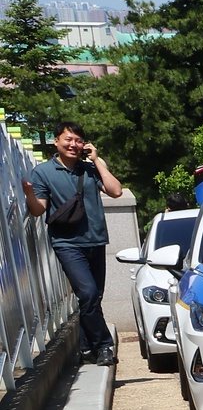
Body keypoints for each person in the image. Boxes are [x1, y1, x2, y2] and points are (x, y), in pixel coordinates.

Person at [22, 121, 124, 366]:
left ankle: (86, 346)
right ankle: (104, 346)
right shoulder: (43, 172)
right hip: (67, 243)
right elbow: (38, 211)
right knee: (87, 292)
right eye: (68, 139)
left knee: (93, 297)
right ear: (56, 141)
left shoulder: (90, 169)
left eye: (78, 140)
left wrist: (97, 161)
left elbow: (116, 191)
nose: (73, 144)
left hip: (96, 240)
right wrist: (29, 195)